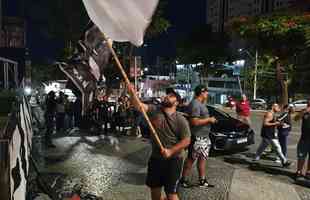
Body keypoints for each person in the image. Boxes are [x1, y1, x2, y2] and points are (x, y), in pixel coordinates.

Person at [128, 85, 191, 200]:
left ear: (176, 103)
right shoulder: (154, 110)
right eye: (167, 94)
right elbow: (138, 106)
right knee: (155, 191)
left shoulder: (180, 120)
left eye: (171, 96)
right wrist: (132, 93)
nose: (167, 96)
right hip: (156, 159)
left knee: (171, 194)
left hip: (174, 160)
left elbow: (187, 140)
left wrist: (171, 151)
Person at [180, 85, 217, 188]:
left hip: (204, 137)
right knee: (191, 159)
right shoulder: (195, 104)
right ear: (202, 92)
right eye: (206, 92)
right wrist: (209, 120)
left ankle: (202, 180)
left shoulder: (199, 103)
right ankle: (183, 180)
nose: (207, 94)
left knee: (203, 159)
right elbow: (194, 121)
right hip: (197, 137)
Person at [253, 103, 291, 167]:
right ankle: (284, 161)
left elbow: (273, 123)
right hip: (268, 134)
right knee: (277, 147)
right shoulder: (269, 114)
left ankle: (255, 159)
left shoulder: (273, 113)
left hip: (270, 133)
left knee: (262, 147)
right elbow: (265, 123)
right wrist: (275, 123)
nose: (279, 108)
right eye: (277, 107)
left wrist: (279, 124)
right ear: (273, 107)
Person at [295, 100, 310, 179]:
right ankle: (299, 171)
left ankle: (308, 173)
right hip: (304, 138)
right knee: (301, 156)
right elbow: (296, 119)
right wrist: (303, 113)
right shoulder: (304, 112)